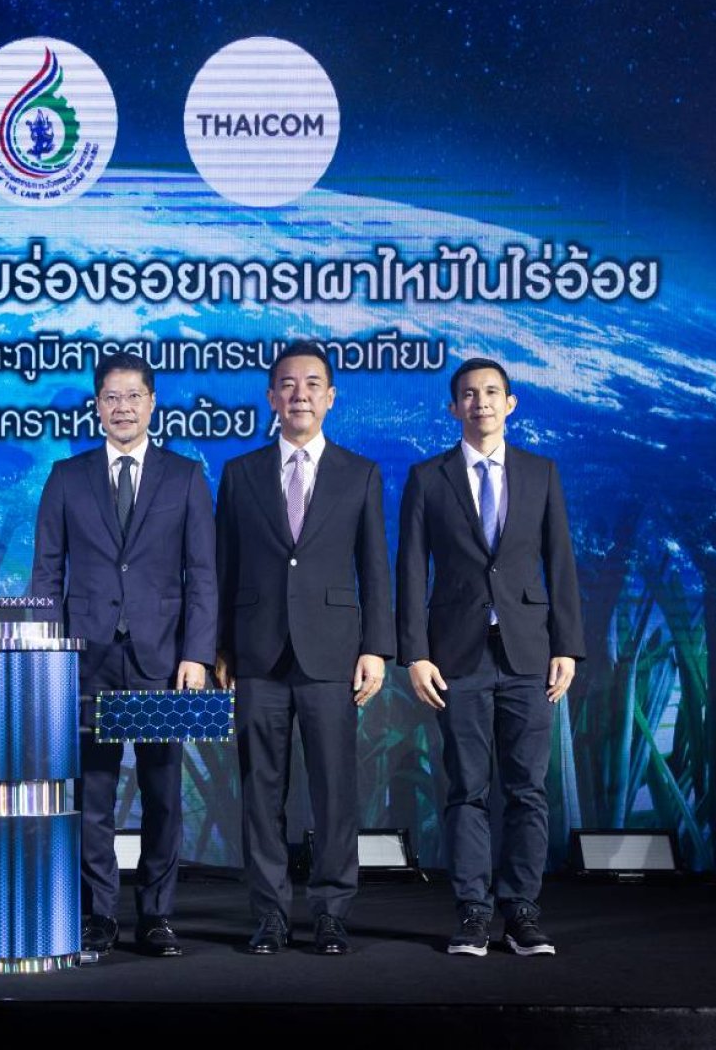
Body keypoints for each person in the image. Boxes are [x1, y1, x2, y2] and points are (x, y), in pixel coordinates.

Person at [396, 357, 585, 957]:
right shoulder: (428, 477)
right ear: (454, 408)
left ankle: (521, 911)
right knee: (466, 789)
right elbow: (409, 571)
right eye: (470, 394)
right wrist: (415, 654)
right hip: (457, 656)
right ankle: (473, 913)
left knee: (528, 790)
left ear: (511, 404)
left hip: (530, 653)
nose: (481, 402)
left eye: (492, 392)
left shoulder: (541, 472)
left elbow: (560, 562)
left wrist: (567, 645)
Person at [30, 353, 217, 957]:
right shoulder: (66, 476)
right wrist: (51, 654)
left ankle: (157, 915)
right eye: (111, 397)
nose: (123, 408)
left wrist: (197, 654)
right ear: (97, 406)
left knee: (163, 793)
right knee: (93, 794)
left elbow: (202, 574)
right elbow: (46, 574)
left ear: (152, 403)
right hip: (86, 659)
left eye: (133, 396)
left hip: (163, 659)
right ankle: (98, 914)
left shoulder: (185, 476)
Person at [214, 342, 392, 956]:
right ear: (271, 397)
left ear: (331, 397)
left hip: (333, 654)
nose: (300, 395)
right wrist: (220, 646)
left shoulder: (360, 473)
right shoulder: (239, 473)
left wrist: (377, 647)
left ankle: (332, 912)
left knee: (334, 790)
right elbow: (223, 565)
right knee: (260, 790)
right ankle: (269, 915)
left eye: (313, 384)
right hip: (256, 655)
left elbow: (375, 567)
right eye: (288, 384)